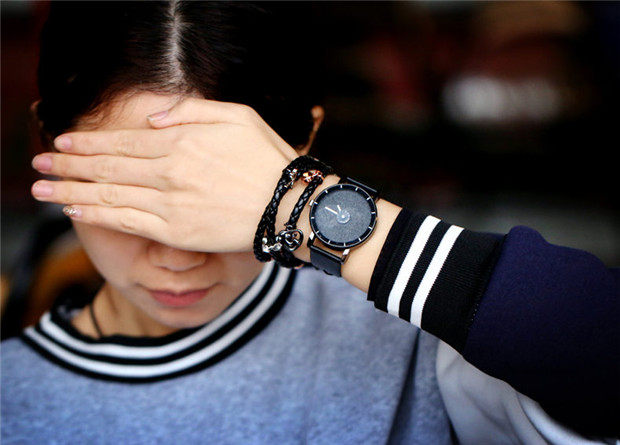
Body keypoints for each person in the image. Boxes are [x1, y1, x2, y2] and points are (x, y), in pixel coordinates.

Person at [2, 2, 618, 444]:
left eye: (217, 196)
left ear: (305, 146)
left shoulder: (419, 336)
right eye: (134, 190)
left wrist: (309, 207)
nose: (179, 255)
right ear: (46, 142)